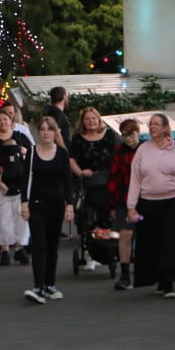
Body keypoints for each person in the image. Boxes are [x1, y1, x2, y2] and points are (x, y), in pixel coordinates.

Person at [126, 112, 175, 299]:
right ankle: (157, 278)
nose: (152, 127)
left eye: (156, 124)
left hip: (173, 201)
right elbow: (135, 179)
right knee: (151, 242)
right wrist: (131, 206)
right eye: (150, 124)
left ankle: (168, 282)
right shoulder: (142, 150)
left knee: (170, 241)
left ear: (165, 128)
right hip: (148, 203)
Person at [20, 116, 74, 304]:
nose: (45, 132)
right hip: (36, 205)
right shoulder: (33, 153)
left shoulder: (62, 154)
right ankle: (38, 287)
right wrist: (24, 203)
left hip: (56, 205)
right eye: (42, 129)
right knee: (39, 246)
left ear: (55, 132)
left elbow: (68, 181)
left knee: (52, 247)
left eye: (49, 129)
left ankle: (50, 284)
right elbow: (25, 179)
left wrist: (70, 205)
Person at [68, 107, 120, 269]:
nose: (91, 121)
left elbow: (118, 155)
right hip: (88, 182)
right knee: (88, 215)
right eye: (87, 118)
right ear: (82, 122)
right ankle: (90, 252)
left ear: (99, 120)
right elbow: (71, 159)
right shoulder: (78, 139)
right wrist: (80, 172)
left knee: (107, 215)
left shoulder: (110, 136)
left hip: (108, 181)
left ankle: (109, 249)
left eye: (94, 118)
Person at [0, 106, 32, 266]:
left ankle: (19, 248)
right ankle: (4, 249)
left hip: (20, 185)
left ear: (11, 121)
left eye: (6, 119)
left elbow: (32, 156)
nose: (3, 122)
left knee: (20, 216)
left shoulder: (21, 136)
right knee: (2, 219)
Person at [107, 118, 142, 290]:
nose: (128, 138)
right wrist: (112, 204)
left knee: (146, 235)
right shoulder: (119, 152)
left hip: (145, 201)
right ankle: (125, 274)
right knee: (126, 234)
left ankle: (147, 272)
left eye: (131, 134)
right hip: (124, 201)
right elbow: (113, 178)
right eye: (125, 135)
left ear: (138, 133)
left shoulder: (146, 150)